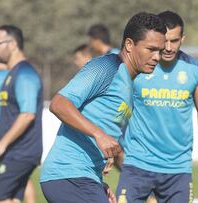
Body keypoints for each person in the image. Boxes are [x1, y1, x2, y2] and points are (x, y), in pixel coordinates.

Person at [40, 12, 166, 203]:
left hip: (86, 178)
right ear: (130, 45)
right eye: (151, 49)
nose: (157, 57)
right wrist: (99, 134)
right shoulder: (106, 66)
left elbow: (109, 138)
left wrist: (98, 183)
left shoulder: (130, 85)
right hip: (67, 174)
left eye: (160, 50)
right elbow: (59, 104)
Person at [116, 10, 198, 203]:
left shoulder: (196, 70)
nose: (169, 47)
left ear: (183, 38)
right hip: (138, 162)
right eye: (166, 41)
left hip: (177, 168)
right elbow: (116, 106)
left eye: (175, 41)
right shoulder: (136, 67)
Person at [0, 25, 43, 203]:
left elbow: (27, 115)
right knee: (12, 199)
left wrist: (1, 145)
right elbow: (9, 116)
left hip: (20, 152)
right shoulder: (12, 75)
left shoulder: (25, 74)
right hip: (12, 152)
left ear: (13, 44)